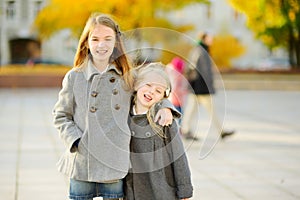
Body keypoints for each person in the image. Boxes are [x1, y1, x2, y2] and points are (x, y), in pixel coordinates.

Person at [52, 13, 175, 200]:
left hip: (114, 160)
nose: (101, 45)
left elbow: (153, 88)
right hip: (83, 162)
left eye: (108, 39)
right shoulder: (74, 76)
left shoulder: (127, 76)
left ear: (116, 42)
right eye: (95, 39)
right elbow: (61, 115)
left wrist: (165, 106)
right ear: (86, 43)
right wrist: (76, 141)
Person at [124, 62, 193, 200]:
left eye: (158, 91)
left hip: (160, 188)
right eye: (148, 85)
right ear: (137, 85)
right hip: (130, 188)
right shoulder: (123, 114)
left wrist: (184, 188)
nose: (151, 92)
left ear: (163, 97)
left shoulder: (164, 119)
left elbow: (178, 155)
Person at [181, 32, 235, 141]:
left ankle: (185, 130)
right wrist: (208, 86)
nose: (212, 40)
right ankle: (221, 131)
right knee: (210, 110)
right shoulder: (202, 51)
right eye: (210, 38)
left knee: (191, 110)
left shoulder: (198, 50)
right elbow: (203, 71)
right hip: (201, 87)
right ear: (204, 39)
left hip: (197, 87)